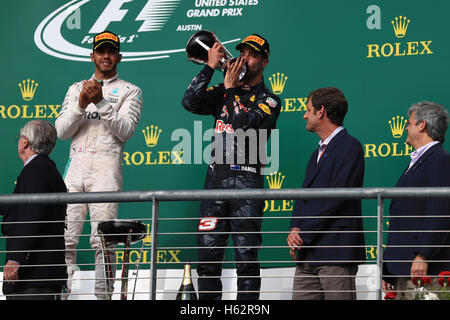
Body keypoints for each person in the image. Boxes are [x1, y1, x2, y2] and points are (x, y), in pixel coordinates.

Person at [182, 34, 281, 300]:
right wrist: (210, 66)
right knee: (207, 258)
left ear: (265, 61)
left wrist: (231, 89)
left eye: (251, 54)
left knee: (246, 260)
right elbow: (189, 102)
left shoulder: (270, 100)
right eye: (242, 52)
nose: (244, 58)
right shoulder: (223, 91)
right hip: (215, 181)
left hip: (247, 183)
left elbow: (241, 125)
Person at [55, 30, 143, 299]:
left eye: (111, 51)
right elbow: (61, 131)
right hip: (75, 167)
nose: (106, 56)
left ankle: (103, 296)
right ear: (92, 55)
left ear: (119, 56)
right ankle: (60, 292)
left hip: (106, 168)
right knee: (65, 239)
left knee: (103, 241)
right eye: (101, 51)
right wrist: (81, 103)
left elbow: (125, 130)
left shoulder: (131, 91)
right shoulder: (75, 89)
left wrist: (101, 102)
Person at [287, 87, 366, 300]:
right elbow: (303, 196)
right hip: (308, 253)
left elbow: (337, 197)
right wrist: (294, 228)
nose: (304, 115)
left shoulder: (350, 146)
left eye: (308, 109)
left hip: (335, 252)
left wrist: (303, 233)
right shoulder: (316, 154)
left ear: (321, 111)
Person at [382, 101, 450, 300]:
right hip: (403, 267)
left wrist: (423, 255)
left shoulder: (440, 160)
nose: (405, 127)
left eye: (409, 123)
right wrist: (388, 268)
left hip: (422, 268)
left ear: (422, 125)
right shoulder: (418, 160)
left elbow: (439, 211)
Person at [1, 120, 67, 300]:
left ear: (25, 141)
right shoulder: (44, 168)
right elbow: (21, 207)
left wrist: (15, 259)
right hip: (37, 278)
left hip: (34, 278)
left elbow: (30, 217)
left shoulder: (36, 169)